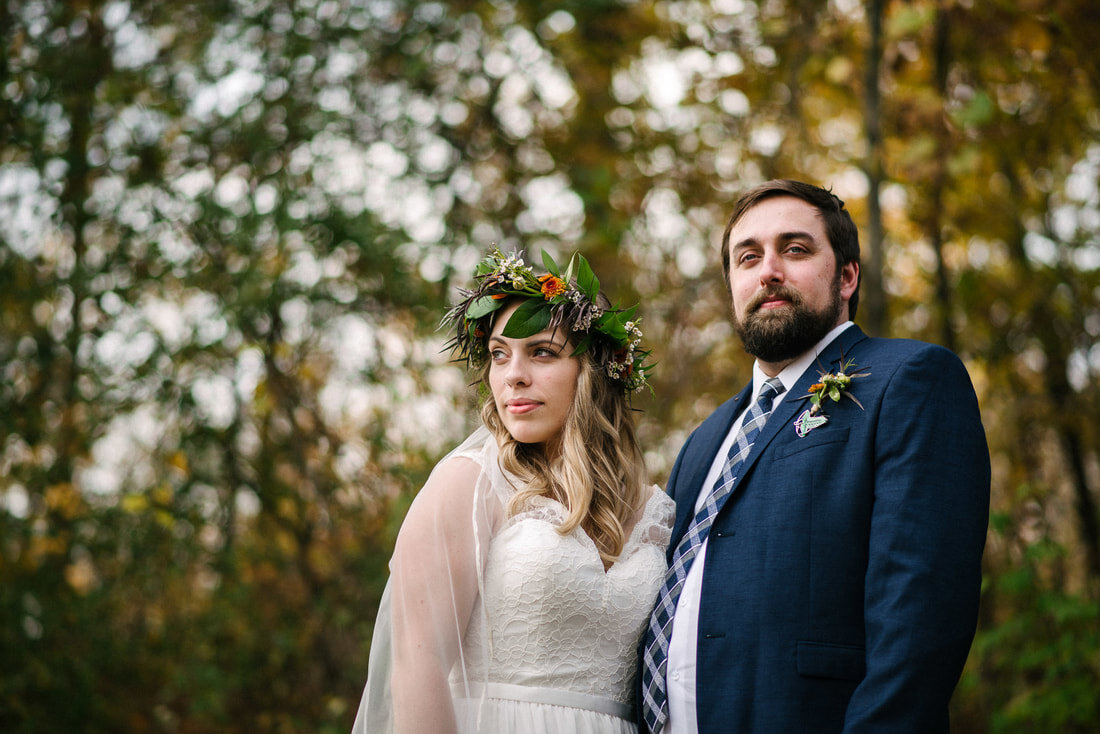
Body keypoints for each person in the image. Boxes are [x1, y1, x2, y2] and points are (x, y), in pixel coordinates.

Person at [638, 180, 990, 734]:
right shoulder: (704, 440)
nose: (768, 270)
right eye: (747, 257)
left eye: (795, 249)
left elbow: (921, 619)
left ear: (847, 275)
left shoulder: (909, 379)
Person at [353, 248, 673, 733]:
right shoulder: (468, 483)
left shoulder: (653, 509)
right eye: (500, 354)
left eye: (541, 352)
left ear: (594, 371)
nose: (513, 375)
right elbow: (417, 670)